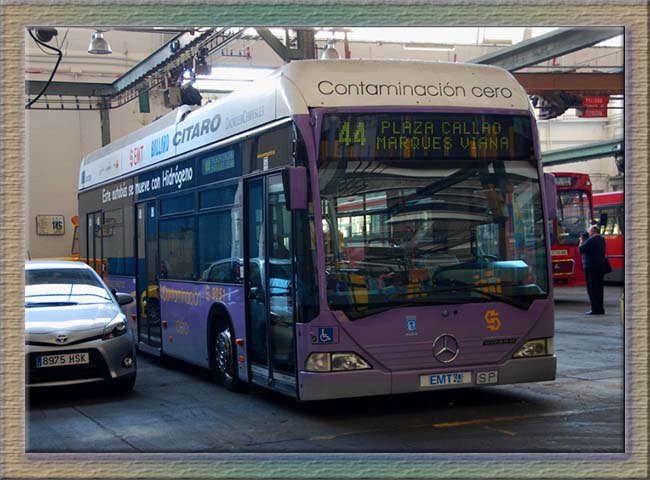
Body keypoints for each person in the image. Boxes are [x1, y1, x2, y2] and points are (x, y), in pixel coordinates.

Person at [579, 225, 608, 315]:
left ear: (593, 231)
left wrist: (581, 241)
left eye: (589, 230)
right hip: (599, 267)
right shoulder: (601, 239)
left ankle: (595, 309)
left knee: (592, 289)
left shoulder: (592, 240)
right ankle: (600, 309)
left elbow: (581, 249)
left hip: (591, 268)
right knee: (599, 289)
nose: (588, 232)